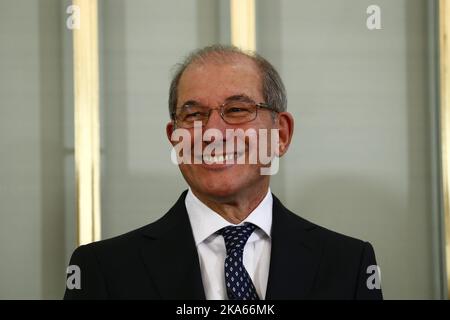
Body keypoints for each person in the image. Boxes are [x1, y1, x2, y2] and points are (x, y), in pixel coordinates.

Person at [64, 45, 382, 300]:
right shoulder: (102, 270)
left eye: (237, 110)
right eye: (193, 114)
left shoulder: (349, 265)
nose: (212, 132)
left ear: (281, 134)